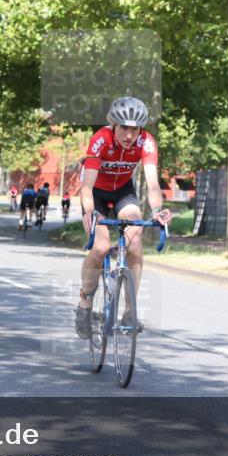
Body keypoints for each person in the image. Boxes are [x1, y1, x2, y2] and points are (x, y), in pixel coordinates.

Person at [74, 97, 173, 340]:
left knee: (136, 241)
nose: (129, 135)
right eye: (124, 128)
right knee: (100, 246)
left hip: (123, 192)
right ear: (114, 125)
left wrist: (158, 210)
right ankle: (85, 303)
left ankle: (129, 312)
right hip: (96, 192)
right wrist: (89, 212)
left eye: (134, 129)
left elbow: (152, 183)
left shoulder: (146, 142)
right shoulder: (101, 139)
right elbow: (86, 186)